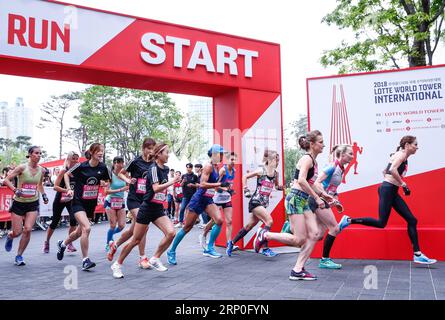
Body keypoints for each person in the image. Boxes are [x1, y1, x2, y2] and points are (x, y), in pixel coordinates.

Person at [338, 135, 437, 265]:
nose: (417, 147)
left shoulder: (401, 155)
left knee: (412, 220)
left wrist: (393, 183)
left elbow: (384, 171)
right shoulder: (401, 155)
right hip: (388, 189)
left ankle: (417, 254)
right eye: (415, 144)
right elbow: (392, 170)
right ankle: (349, 220)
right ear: (407, 145)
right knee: (381, 223)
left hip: (391, 190)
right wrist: (402, 184)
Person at [254, 131, 333, 280]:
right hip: (295, 199)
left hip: (302, 200)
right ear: (312, 144)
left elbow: (309, 183)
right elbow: (302, 181)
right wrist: (317, 198)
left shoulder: (313, 162)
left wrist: (324, 195)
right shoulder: (307, 159)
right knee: (299, 239)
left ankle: (298, 269)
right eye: (321, 142)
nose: (323, 145)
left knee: (316, 234)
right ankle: (265, 234)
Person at [111, 143, 180, 278]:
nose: (168, 155)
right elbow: (155, 188)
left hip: (158, 208)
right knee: (135, 240)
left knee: (171, 233)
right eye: (166, 152)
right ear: (159, 154)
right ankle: (117, 264)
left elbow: (162, 189)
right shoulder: (153, 168)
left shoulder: (165, 168)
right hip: (146, 208)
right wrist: (172, 182)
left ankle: (155, 258)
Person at [167, 144, 230, 264]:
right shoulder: (208, 167)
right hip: (199, 199)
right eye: (220, 154)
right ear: (214, 154)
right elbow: (202, 184)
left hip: (208, 199)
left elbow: (214, 187)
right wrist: (218, 185)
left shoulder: (217, 168)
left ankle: (209, 248)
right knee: (187, 227)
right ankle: (171, 251)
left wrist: (225, 189)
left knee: (219, 220)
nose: (222, 156)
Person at [56, 143, 111, 271]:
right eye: (98, 150)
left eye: (102, 150)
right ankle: (85, 260)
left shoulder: (103, 167)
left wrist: (104, 183)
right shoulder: (81, 166)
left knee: (80, 232)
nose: (101, 153)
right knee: (87, 228)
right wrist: (69, 189)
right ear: (91, 152)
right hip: (78, 202)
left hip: (90, 204)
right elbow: (66, 174)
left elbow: (107, 181)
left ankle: (63, 244)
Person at [107, 138, 156, 269]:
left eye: (153, 149)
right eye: (149, 148)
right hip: (134, 199)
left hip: (145, 199)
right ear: (143, 148)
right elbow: (120, 173)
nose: (151, 151)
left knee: (132, 231)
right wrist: (128, 181)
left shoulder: (154, 164)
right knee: (144, 226)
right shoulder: (136, 161)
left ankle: (115, 245)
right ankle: (142, 258)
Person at [230, 150, 283, 257]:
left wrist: (281, 187)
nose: (277, 163)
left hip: (263, 203)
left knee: (249, 226)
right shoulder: (261, 171)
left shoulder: (276, 174)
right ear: (270, 160)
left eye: (278, 161)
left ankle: (231, 244)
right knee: (269, 221)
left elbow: (276, 186)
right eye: (276, 160)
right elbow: (245, 176)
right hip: (255, 201)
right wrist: (245, 189)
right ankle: (265, 248)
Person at [3, 146, 49, 265]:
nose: (39, 155)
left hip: (32, 203)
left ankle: (19, 256)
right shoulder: (22, 168)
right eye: (36, 153)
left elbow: (39, 185)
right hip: (19, 203)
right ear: (30, 154)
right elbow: (6, 180)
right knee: (17, 232)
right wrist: (14, 189)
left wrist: (43, 195)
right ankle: (10, 236)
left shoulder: (42, 170)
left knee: (28, 229)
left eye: (40, 153)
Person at [310, 144, 353, 269]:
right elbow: (316, 183)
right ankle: (325, 260)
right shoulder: (332, 167)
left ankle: (292, 231)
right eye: (350, 154)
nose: (352, 156)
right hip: (318, 200)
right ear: (343, 155)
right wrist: (324, 197)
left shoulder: (341, 168)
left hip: (324, 200)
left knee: (318, 235)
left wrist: (336, 200)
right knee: (334, 228)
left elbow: (333, 188)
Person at [201, 152, 238, 256]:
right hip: (217, 198)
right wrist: (224, 188)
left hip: (227, 199)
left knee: (229, 221)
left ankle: (229, 244)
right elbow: (216, 187)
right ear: (227, 160)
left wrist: (230, 190)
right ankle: (204, 234)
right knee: (214, 220)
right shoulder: (223, 170)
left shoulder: (234, 171)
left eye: (235, 159)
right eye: (231, 159)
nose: (233, 162)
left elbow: (229, 185)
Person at [43, 151, 80, 254]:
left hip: (71, 199)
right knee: (55, 221)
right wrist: (66, 190)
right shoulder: (63, 171)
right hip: (60, 199)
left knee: (73, 220)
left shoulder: (78, 172)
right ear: (68, 159)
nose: (76, 161)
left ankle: (69, 243)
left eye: (77, 159)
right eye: (73, 158)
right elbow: (55, 187)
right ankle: (47, 241)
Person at [104, 156, 129, 252]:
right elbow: (106, 191)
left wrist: (128, 188)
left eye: (123, 163)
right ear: (114, 163)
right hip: (110, 201)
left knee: (122, 225)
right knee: (113, 225)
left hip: (120, 201)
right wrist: (120, 190)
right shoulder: (110, 174)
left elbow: (127, 185)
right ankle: (108, 243)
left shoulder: (124, 174)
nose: (121, 165)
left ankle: (110, 235)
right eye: (119, 163)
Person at [177, 163, 199, 227]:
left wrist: (192, 185)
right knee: (182, 208)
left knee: (191, 209)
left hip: (193, 195)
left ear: (191, 168)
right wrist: (183, 181)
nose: (188, 168)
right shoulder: (184, 175)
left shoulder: (195, 176)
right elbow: (180, 185)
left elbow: (197, 185)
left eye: (189, 167)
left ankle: (190, 222)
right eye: (187, 167)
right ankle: (180, 222)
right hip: (185, 195)